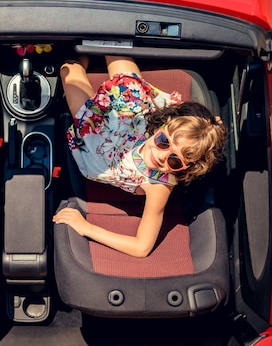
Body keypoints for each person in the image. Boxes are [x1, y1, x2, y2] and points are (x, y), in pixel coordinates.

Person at [53, 55, 226, 258]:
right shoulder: (146, 117)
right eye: (164, 141)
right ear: (162, 126)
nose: (162, 156)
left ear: (185, 169)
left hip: (97, 141)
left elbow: (141, 247)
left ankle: (81, 55)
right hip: (131, 116)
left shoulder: (159, 186)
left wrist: (86, 228)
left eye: (175, 160)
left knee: (69, 67)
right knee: (114, 47)